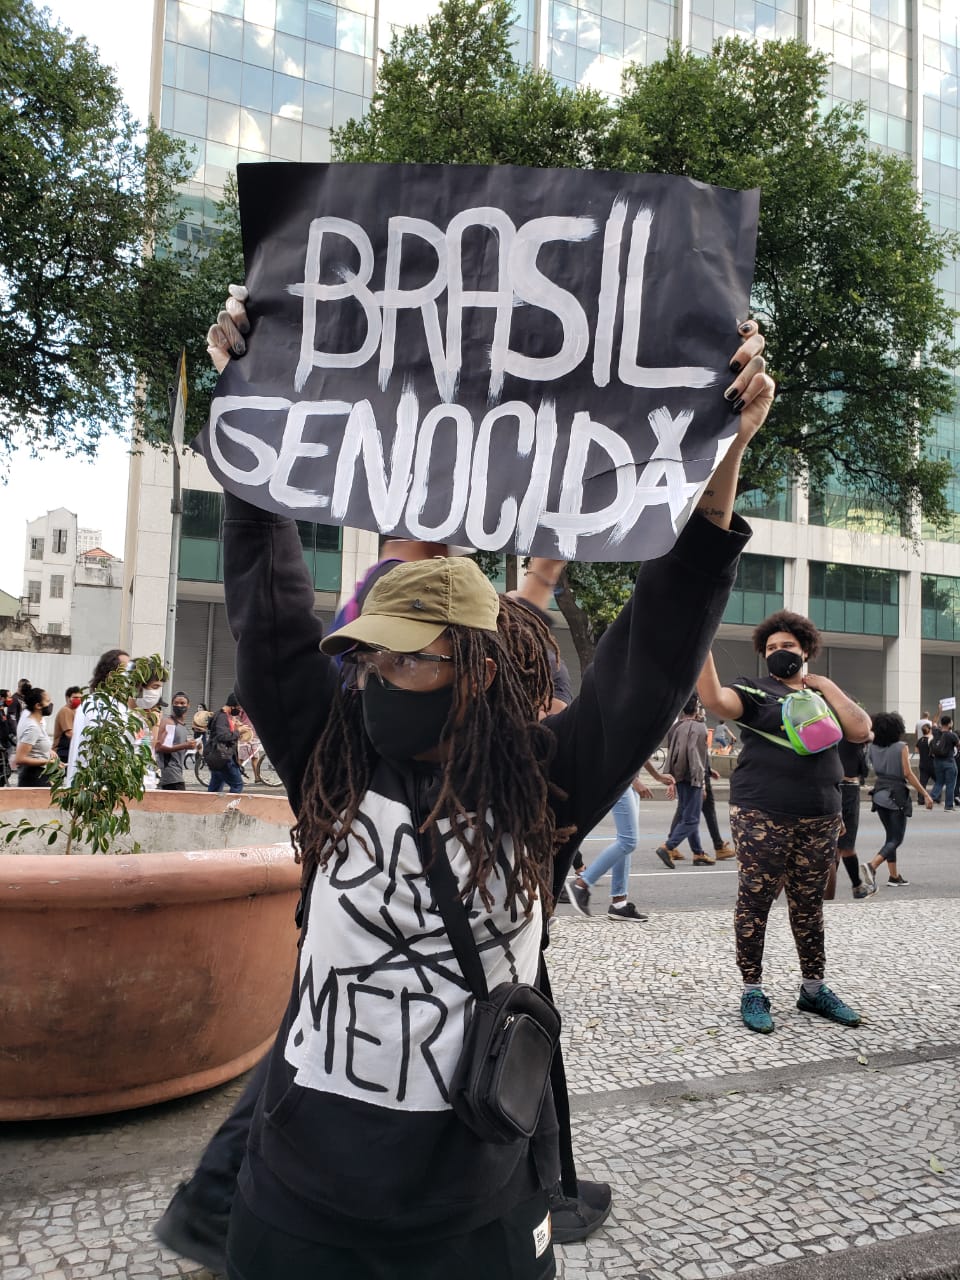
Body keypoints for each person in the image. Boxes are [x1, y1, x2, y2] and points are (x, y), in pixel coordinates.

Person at [203, 296, 771, 1274]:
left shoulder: (543, 781)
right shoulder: (329, 755)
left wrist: (721, 450)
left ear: (473, 667)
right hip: (296, 1204)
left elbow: (656, 651)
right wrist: (245, 392)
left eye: (411, 658)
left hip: (474, 1222)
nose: (383, 676)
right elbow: (266, 595)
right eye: (371, 660)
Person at [698, 610, 871, 1035]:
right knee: (755, 903)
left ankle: (813, 989)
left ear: (806, 650)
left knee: (809, 906)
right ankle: (752, 990)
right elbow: (717, 701)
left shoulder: (825, 695)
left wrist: (825, 684)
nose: (779, 654)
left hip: (821, 814)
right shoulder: (755, 691)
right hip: (761, 812)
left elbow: (861, 730)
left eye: (787, 647)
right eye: (771, 648)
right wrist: (699, 640)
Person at [565, 760, 676, 920]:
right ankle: (581, 885)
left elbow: (641, 749)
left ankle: (619, 904)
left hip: (628, 780)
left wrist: (656, 776)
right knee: (628, 841)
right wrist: (634, 780)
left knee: (625, 841)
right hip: (620, 779)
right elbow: (620, 749)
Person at [861, 712, 932, 890]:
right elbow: (908, 774)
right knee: (897, 838)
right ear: (897, 729)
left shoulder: (872, 747)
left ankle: (894, 876)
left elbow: (866, 767)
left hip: (879, 794)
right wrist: (925, 794)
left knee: (890, 837)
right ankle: (872, 866)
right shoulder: (901, 747)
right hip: (896, 795)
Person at [654, 694, 711, 866]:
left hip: (679, 776)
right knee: (692, 818)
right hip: (692, 777)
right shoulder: (700, 728)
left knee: (688, 815)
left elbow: (672, 753)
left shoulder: (675, 728)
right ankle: (668, 847)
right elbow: (696, 755)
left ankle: (698, 853)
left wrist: (670, 779)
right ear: (696, 708)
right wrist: (701, 781)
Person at [66, 649, 131, 784]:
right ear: (110, 674)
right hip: (96, 786)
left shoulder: (116, 705)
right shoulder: (96, 705)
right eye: (126, 670)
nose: (130, 676)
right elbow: (98, 748)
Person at [825, 735, 873, 901]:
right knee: (846, 842)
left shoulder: (831, 736)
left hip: (830, 786)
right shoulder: (855, 740)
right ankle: (857, 886)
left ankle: (827, 890)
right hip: (849, 788)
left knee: (833, 841)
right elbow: (864, 770)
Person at [14, 686, 59, 787]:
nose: (50, 704)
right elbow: (20, 758)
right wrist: (47, 762)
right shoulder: (33, 727)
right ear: (38, 705)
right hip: (33, 777)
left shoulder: (38, 723)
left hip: (39, 775)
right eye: (48, 701)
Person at [157, 692, 199, 791]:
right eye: (176, 703)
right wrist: (185, 745)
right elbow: (160, 747)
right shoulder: (170, 723)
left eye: (182, 703)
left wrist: (194, 745)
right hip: (171, 773)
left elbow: (176, 745)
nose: (179, 706)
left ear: (188, 705)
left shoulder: (181, 725)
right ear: (172, 704)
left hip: (177, 772)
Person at [205, 695, 244, 794]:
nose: (239, 711)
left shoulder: (221, 715)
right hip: (223, 757)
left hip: (216, 756)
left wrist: (235, 727)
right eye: (239, 708)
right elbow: (222, 736)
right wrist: (238, 731)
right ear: (233, 706)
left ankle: (210, 808)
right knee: (237, 784)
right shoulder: (222, 717)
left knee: (215, 786)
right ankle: (231, 806)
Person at [928, 713, 959, 810]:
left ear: (941, 723)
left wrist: (939, 711)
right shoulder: (952, 735)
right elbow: (958, 744)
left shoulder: (936, 732)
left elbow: (933, 723)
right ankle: (949, 805)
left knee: (939, 782)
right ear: (950, 724)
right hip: (949, 761)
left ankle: (930, 800)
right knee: (950, 784)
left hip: (937, 762)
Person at [52, 687, 82, 765]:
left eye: (80, 698)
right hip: (62, 752)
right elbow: (69, 734)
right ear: (68, 698)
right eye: (75, 697)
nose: (78, 700)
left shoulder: (77, 711)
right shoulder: (66, 711)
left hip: (69, 750)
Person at [916, 721, 935, 804]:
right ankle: (936, 797)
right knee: (939, 781)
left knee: (922, 783)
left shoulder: (920, 740)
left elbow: (917, 751)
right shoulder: (931, 739)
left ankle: (920, 799)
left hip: (922, 764)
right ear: (930, 730)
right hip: (931, 763)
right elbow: (934, 751)